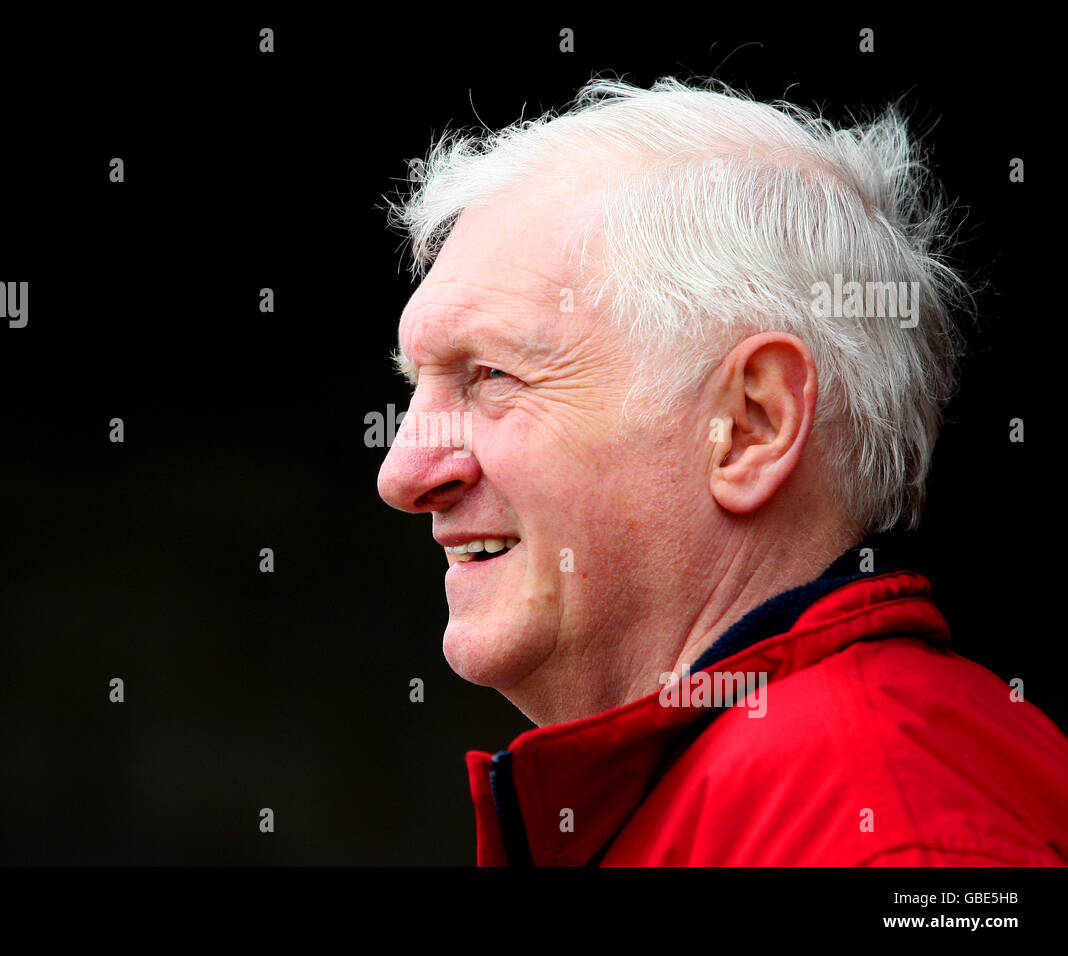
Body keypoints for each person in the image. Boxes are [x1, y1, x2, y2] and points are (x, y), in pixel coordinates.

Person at [376, 77, 1068, 865]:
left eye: (493, 376)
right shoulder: (780, 794)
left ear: (750, 427)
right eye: (415, 387)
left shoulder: (891, 834)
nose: (402, 474)